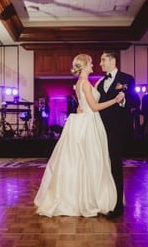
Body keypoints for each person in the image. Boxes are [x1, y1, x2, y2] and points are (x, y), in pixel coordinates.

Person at [35, 54, 121, 217]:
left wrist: (81, 108)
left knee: (84, 161)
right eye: (91, 63)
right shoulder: (85, 84)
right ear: (85, 65)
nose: (93, 65)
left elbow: (84, 104)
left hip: (86, 121)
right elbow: (94, 107)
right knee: (92, 160)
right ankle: (88, 199)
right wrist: (115, 100)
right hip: (89, 124)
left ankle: (82, 196)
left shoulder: (81, 83)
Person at [95, 51, 136, 218]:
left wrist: (123, 99)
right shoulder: (100, 82)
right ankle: (103, 200)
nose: (100, 63)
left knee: (115, 166)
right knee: (101, 165)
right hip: (99, 130)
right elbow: (95, 104)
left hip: (116, 131)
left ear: (112, 60)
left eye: (103, 59)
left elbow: (136, 101)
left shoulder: (127, 79)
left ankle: (118, 205)